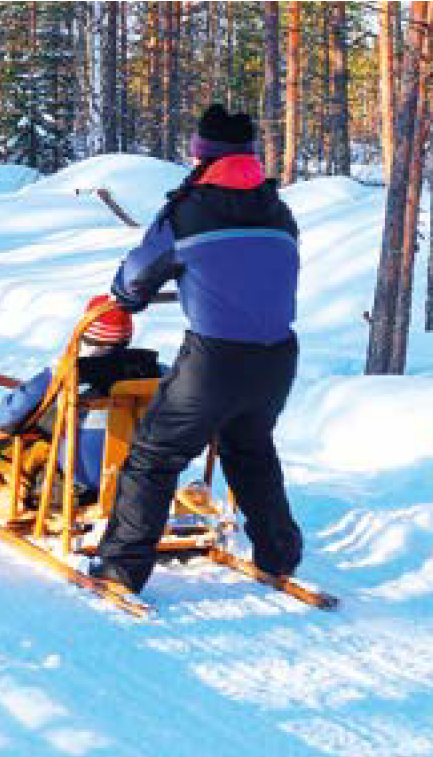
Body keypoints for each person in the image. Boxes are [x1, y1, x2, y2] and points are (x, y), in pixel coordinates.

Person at [89, 104, 304, 594]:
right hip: (278, 359)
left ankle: (121, 568)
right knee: (249, 449)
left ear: (201, 154)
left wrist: (125, 299)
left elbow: (135, 280)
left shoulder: (187, 212)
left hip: (214, 361)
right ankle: (279, 557)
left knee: (154, 455)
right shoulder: (279, 210)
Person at [0, 295, 164, 498]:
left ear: (84, 335)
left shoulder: (67, 373)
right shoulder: (159, 375)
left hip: (80, 481)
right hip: (142, 480)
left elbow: (4, 419)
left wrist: (51, 376)